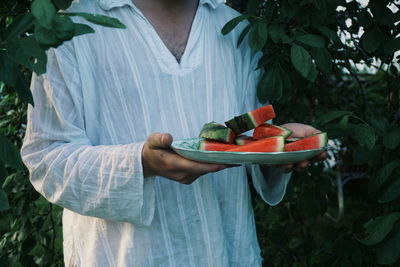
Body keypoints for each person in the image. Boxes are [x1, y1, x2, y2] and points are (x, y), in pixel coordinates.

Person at [21, 0, 327, 266]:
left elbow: (239, 132)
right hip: (122, 258)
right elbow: (47, 159)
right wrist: (139, 162)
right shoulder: (70, 30)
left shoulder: (236, 29)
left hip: (231, 253)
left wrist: (278, 146)